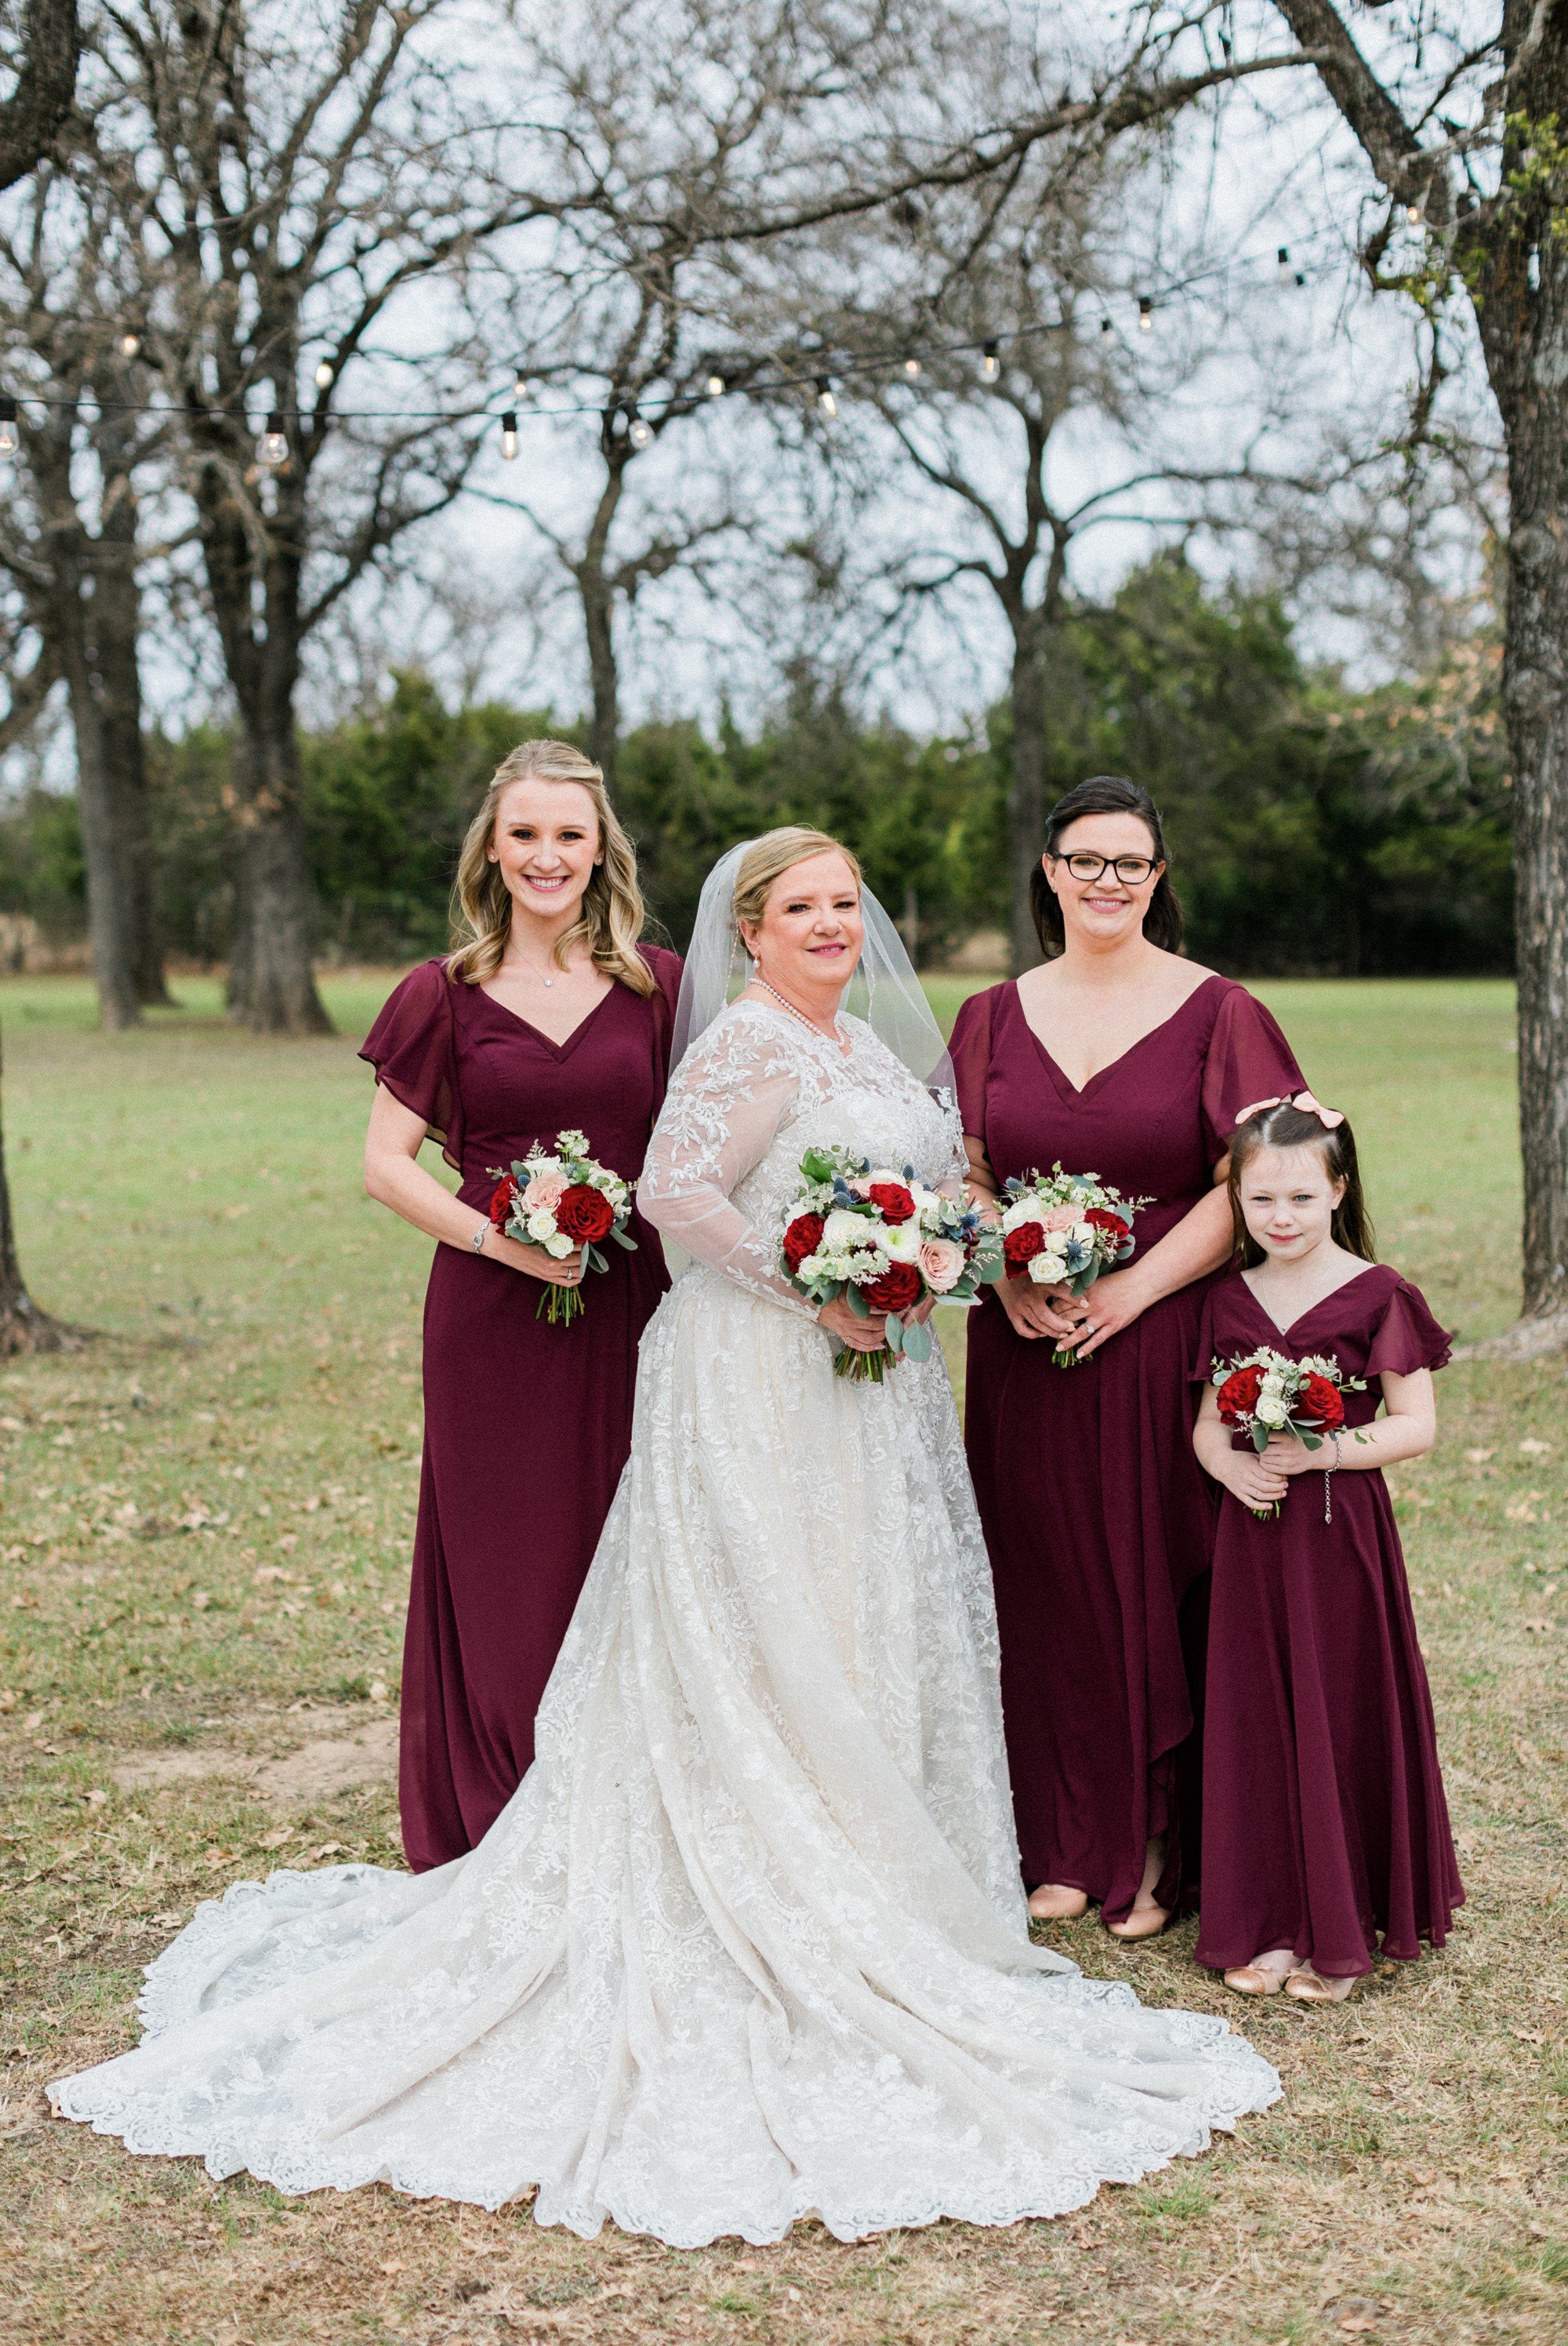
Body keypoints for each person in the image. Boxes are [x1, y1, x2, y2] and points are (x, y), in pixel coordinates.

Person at [49, 828, 1277, 2247]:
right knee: (768, 1625)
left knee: (855, 1607)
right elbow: (675, 1197)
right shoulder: (750, 1047)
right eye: (802, 909)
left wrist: (963, 1254)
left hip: (868, 1389)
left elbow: (934, 1196)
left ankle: (868, 1855)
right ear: (748, 933)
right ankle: (764, 1873)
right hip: (764, 1375)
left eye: (845, 907)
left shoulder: (873, 1051)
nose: (830, 927)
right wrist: (812, 1287)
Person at [949, 776, 1306, 1937]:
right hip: (1024, 1345)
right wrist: (1008, 1269)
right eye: (1086, 861)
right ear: (1049, 873)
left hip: (1161, 1339)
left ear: (1159, 878)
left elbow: (1251, 1183)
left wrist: (1136, 1291)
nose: (1108, 881)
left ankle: (1148, 1844)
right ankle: (1056, 1836)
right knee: (1037, 1579)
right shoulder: (991, 1015)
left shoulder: (1222, 1013)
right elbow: (964, 1170)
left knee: (1148, 1581)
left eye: (1132, 863)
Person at [359, 738, 681, 1869]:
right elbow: (387, 1165)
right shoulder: (439, 994)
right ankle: (506, 1810)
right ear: (492, 850)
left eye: (570, 835)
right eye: (526, 834)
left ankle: (627, 1796)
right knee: (506, 1556)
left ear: (603, 852)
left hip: (635, 1303)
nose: (548, 856)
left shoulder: (659, 986)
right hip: (492, 1316)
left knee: (628, 1536)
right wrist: (505, 1240)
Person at [1191, 1096, 1463, 2001]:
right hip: (1251, 1536)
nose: (1280, 1218)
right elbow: (1203, 1426)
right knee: (1258, 1714)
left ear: (1337, 1190)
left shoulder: (1378, 1293)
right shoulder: (1226, 1296)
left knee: (1333, 1706)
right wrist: (1229, 1472)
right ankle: (1265, 1920)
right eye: (1261, 1199)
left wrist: (1326, 1451)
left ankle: (1334, 1927)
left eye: (1301, 1199)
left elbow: (1415, 1426)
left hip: (1337, 1534)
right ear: (1237, 1199)